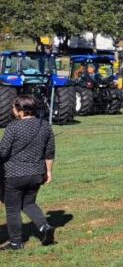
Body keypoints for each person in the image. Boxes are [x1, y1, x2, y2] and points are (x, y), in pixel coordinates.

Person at [0, 96, 57, 250]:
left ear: (20, 110)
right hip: (37, 173)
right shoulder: (45, 126)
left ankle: (16, 243)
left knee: (12, 209)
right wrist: (48, 172)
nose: (12, 110)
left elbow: (3, 152)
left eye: (13, 107)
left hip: (13, 174)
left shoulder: (13, 127)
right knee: (28, 203)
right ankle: (45, 227)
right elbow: (49, 152)